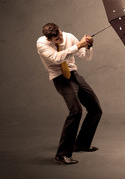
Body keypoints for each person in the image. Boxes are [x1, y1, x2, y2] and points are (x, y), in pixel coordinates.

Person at [36, 23, 103, 165]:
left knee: (95, 109)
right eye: (57, 39)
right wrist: (78, 45)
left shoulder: (68, 37)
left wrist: (88, 46)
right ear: (49, 39)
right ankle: (61, 155)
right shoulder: (41, 43)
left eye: (60, 35)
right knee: (76, 111)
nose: (60, 39)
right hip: (59, 78)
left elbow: (86, 57)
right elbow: (58, 58)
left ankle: (82, 144)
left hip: (74, 74)